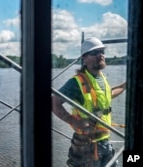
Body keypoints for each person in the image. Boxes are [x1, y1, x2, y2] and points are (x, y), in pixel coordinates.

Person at [52, 37, 126, 167]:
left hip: (104, 140)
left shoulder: (102, 78)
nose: (100, 55)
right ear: (84, 58)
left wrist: (127, 84)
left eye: (102, 51)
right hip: (87, 146)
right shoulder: (76, 82)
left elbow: (110, 94)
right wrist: (74, 122)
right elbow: (54, 103)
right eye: (94, 52)